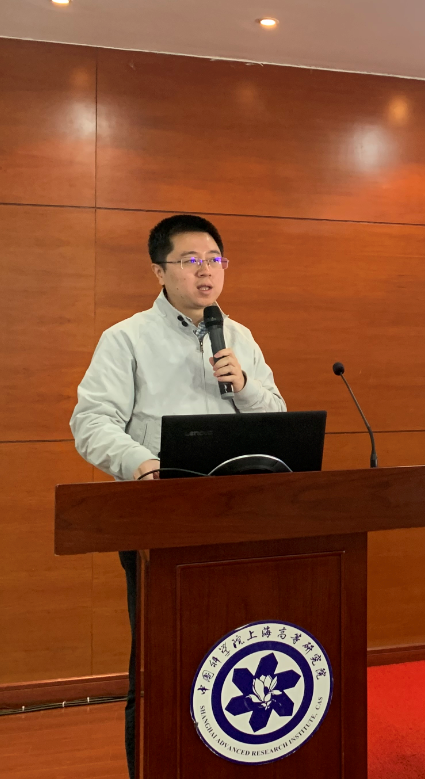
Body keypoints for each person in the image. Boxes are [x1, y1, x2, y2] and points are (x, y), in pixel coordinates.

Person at [70, 214, 285, 778]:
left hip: (240, 519)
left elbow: (278, 421)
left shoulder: (240, 338)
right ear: (159, 271)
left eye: (214, 259)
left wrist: (245, 387)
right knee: (162, 665)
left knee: (239, 657)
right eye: (191, 261)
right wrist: (143, 466)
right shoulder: (127, 338)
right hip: (159, 519)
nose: (205, 271)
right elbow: (91, 422)